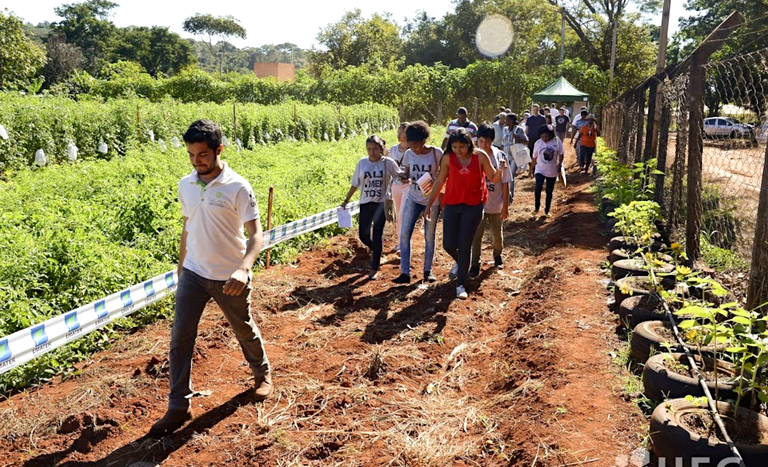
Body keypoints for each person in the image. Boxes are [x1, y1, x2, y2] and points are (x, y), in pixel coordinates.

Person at [150, 120, 270, 437]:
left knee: (243, 329)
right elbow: (188, 226)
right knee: (180, 340)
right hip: (193, 273)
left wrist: (244, 268)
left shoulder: (238, 187)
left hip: (229, 277)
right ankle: (179, 406)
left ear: (219, 150)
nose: (196, 161)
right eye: (191, 154)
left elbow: (256, 234)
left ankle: (262, 374)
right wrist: (181, 267)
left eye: (202, 154)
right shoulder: (186, 184)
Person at [425, 128, 505, 299]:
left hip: (473, 206)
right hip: (452, 204)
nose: (458, 150)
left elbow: (494, 177)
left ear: (469, 144)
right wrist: (429, 204)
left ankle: (461, 284)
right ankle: (462, 263)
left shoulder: (480, 156)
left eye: (461, 147)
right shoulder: (448, 158)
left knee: (465, 244)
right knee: (448, 244)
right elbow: (440, 180)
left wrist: (501, 170)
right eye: (454, 147)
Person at [341, 135, 402, 279]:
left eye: (375, 149)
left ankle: (374, 268)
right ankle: (376, 250)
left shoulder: (388, 163)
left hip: (381, 204)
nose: (372, 152)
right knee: (363, 234)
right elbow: (355, 183)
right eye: (369, 149)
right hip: (365, 203)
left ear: (381, 149)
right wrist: (346, 200)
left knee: (377, 233)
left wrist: (412, 175)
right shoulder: (362, 163)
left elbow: (399, 176)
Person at [394, 121, 443, 284]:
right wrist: (403, 177)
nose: (415, 149)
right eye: (411, 145)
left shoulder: (437, 153)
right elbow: (407, 173)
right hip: (413, 198)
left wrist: (433, 181)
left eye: (417, 145)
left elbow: (444, 176)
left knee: (429, 236)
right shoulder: (408, 154)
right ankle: (405, 272)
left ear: (424, 140)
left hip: (432, 200)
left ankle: (427, 271)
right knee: (405, 234)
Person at [470, 124, 512, 278]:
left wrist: (505, 206)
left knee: (496, 235)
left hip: (496, 205)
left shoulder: (500, 156)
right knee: (476, 236)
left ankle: (497, 255)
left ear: (492, 141)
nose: (484, 145)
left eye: (487, 141)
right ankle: (475, 264)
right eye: (481, 141)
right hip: (477, 205)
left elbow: (506, 182)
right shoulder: (472, 156)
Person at [529, 124, 564, 218]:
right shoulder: (538, 143)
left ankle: (547, 210)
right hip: (540, 169)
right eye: (542, 136)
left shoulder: (557, 141)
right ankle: (536, 207)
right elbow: (534, 158)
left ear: (551, 135)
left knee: (549, 191)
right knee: (538, 188)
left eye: (546, 136)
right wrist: (531, 170)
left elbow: (561, 154)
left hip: (552, 170)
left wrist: (559, 164)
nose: (544, 138)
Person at [388, 122, 411, 252]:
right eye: (399, 132)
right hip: (396, 185)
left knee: (403, 214)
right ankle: (400, 242)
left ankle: (403, 245)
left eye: (402, 132)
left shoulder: (413, 151)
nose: (400, 135)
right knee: (398, 215)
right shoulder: (393, 150)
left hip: (408, 186)